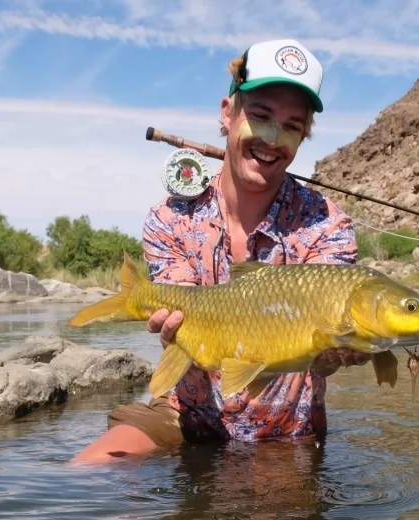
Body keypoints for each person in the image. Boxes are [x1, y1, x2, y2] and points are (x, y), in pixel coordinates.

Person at [72, 38, 371, 463]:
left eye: (291, 126)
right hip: (186, 413)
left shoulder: (327, 224)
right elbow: (179, 323)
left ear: (304, 136)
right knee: (87, 469)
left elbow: (326, 354)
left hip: (285, 429)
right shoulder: (170, 217)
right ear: (228, 113)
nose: (272, 138)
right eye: (260, 117)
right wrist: (165, 322)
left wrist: (340, 354)